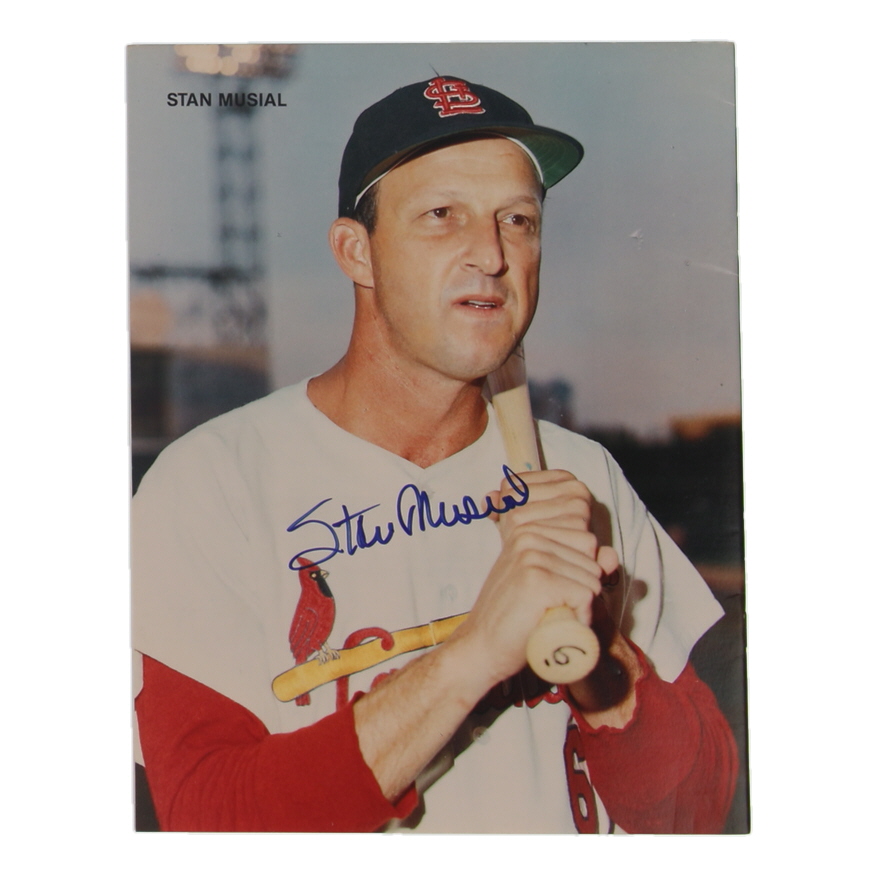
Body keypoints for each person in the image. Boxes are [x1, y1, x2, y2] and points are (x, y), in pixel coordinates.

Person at [132, 75, 738, 833]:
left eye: (517, 219)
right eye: (442, 215)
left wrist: (604, 662)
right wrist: (476, 652)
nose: (491, 254)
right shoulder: (213, 483)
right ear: (357, 252)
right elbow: (212, 821)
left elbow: (695, 815)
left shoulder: (580, 479)